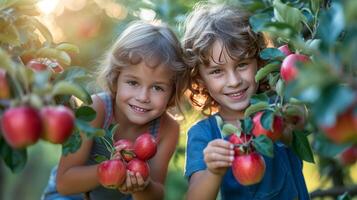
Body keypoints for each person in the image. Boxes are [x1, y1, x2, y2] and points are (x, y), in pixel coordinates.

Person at [42, 20, 189, 200]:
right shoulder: (96, 109)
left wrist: (142, 186)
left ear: (173, 91)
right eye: (133, 82)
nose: (143, 96)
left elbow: (156, 194)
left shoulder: (167, 129)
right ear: (116, 78)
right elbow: (64, 183)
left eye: (157, 88)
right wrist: (112, 169)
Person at [182, 4, 310, 200]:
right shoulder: (205, 134)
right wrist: (213, 171)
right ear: (200, 80)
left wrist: (287, 124)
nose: (234, 81)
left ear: (258, 62)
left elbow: (304, 119)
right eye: (217, 71)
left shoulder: (276, 111)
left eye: (242, 64)